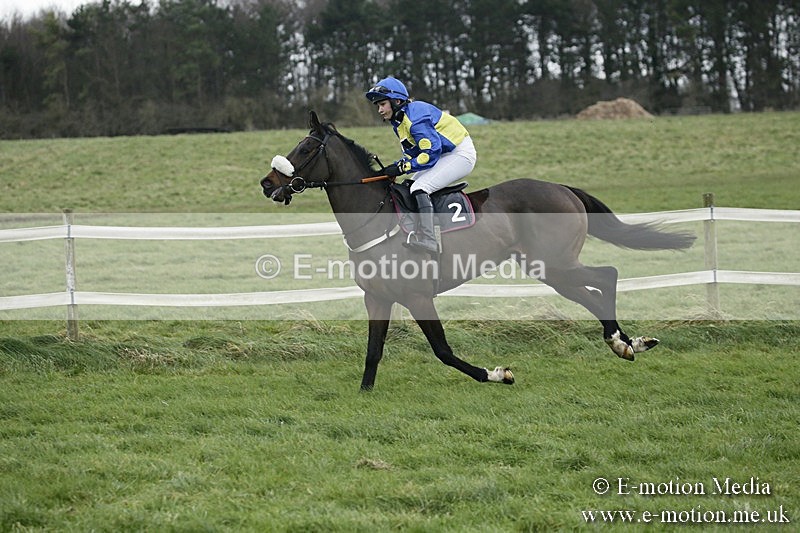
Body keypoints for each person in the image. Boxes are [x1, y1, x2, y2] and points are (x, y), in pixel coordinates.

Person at [365, 76, 477, 254]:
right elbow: (413, 155)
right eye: (378, 105)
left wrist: (402, 168)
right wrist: (395, 168)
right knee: (409, 186)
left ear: (397, 101)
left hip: (459, 154)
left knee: (419, 188)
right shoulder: (399, 121)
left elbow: (429, 154)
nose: (379, 110)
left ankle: (429, 239)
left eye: (382, 104)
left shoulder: (415, 118)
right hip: (443, 154)